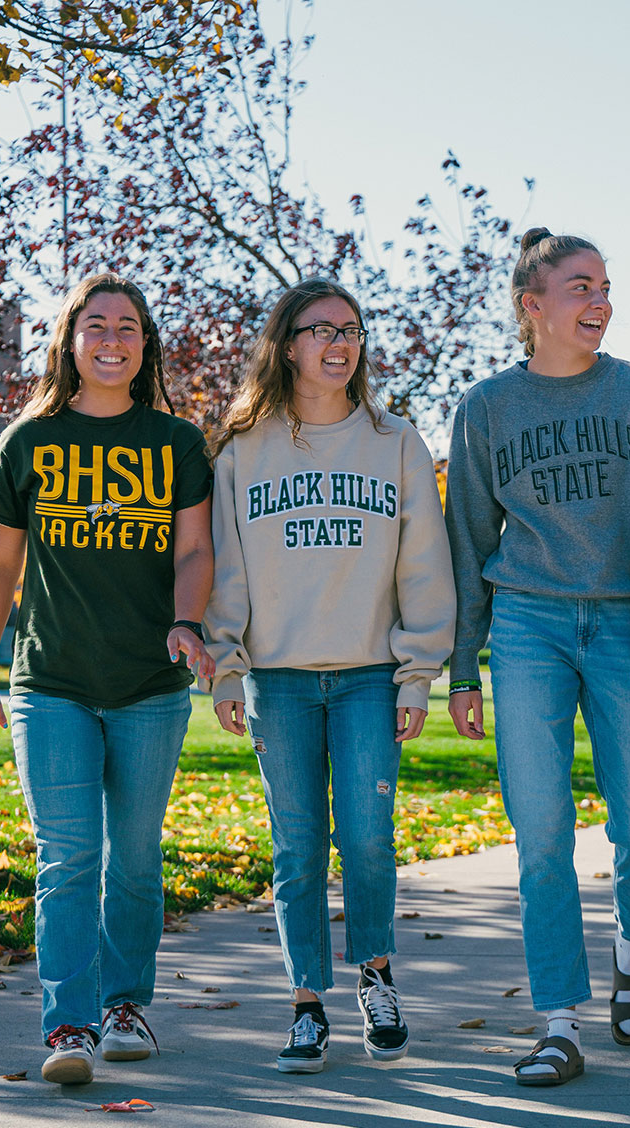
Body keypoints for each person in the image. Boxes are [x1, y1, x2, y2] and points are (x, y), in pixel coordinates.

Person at [443, 228, 630, 1087]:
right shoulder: (485, 408)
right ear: (533, 305)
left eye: (606, 286)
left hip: (624, 625)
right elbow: (468, 538)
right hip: (526, 626)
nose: (600, 301)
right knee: (541, 831)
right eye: (581, 286)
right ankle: (558, 1022)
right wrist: (463, 664)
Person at [0, 274, 214, 1086]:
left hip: (151, 686)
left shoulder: (176, 444)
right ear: (70, 341)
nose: (113, 340)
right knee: (68, 859)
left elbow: (195, 550)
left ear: (146, 345)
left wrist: (186, 621)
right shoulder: (29, 442)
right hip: (52, 684)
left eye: (128, 326)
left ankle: (124, 1007)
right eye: (96, 325)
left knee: (134, 859)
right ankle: (68, 1025)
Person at [204, 278, 456, 1074]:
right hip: (277, 680)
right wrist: (225, 667)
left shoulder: (395, 441)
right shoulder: (243, 450)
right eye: (322, 330)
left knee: (369, 838)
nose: (340, 343)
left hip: (369, 676)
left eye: (350, 330)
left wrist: (418, 674)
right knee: (298, 847)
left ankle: (376, 979)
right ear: (287, 346)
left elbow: (424, 567)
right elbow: (226, 571)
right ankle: (307, 1003)